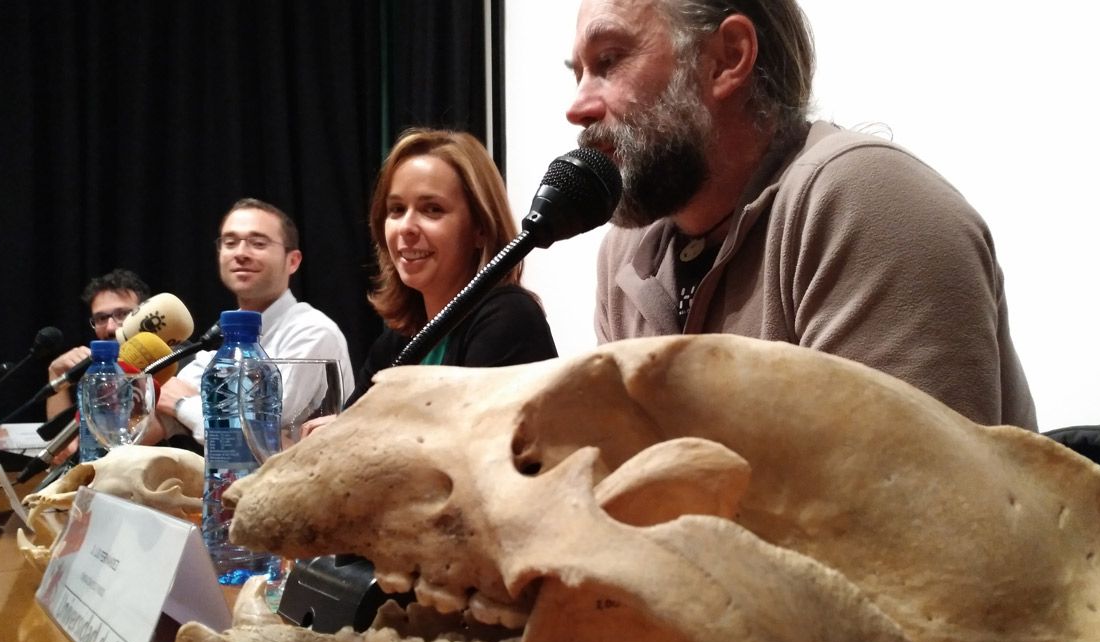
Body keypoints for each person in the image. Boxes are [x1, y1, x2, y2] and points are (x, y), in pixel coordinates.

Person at [566, 0, 1037, 429]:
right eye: (578, 74)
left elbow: (908, 507)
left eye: (609, 61)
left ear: (727, 58)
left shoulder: (861, 199)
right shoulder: (626, 255)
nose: (577, 107)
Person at [347, 128, 558, 404]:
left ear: (480, 228)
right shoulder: (397, 342)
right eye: (396, 210)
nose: (406, 227)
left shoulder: (508, 316)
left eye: (432, 209)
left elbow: (465, 442)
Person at [154, 198, 356, 446]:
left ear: (292, 261)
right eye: (230, 243)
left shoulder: (312, 331)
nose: (240, 253)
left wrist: (183, 406)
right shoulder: (221, 338)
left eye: (258, 243)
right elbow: (159, 410)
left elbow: (261, 436)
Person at [45, 268, 151, 420]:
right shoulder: (90, 372)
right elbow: (64, 443)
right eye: (101, 318)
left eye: (122, 314)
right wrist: (56, 374)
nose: (110, 328)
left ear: (146, 315)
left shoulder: (177, 358)